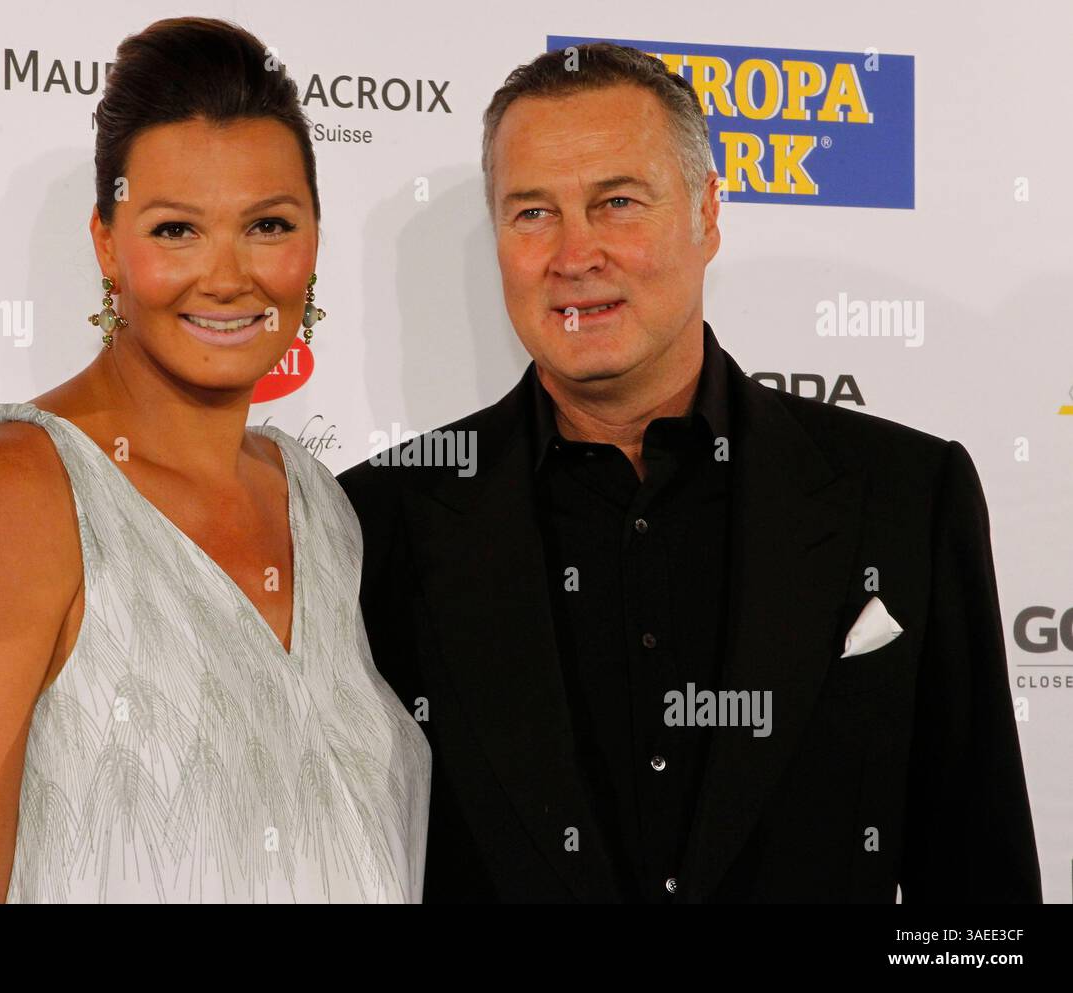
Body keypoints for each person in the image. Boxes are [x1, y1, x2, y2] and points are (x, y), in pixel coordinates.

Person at [337, 43, 1041, 903]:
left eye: (618, 202)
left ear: (708, 215)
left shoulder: (903, 493)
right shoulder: (376, 521)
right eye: (532, 213)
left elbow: (980, 894)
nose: (574, 253)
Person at [0, 17, 429, 903]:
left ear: (314, 239)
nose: (227, 274)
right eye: (176, 230)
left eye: (268, 224)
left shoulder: (323, 507)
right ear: (105, 242)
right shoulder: (12, 489)